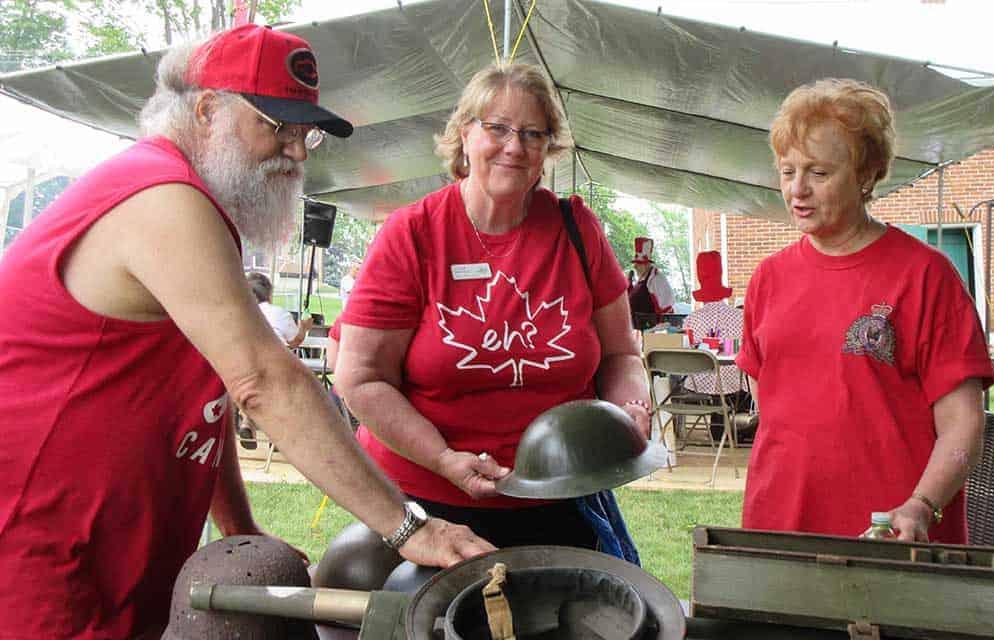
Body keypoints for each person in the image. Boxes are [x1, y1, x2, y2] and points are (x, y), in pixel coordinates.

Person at [0, 24, 492, 638]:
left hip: (114, 531)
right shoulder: (159, 195)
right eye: (277, 126)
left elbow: (205, 393)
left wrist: (236, 524)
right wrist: (410, 528)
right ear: (208, 109)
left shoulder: (194, 210)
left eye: (305, 131)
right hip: (42, 532)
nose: (298, 151)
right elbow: (264, 381)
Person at [335, 63, 652, 551]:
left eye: (532, 133)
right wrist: (443, 459)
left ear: (548, 148)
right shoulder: (412, 234)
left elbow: (620, 355)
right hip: (424, 505)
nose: (514, 146)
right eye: (497, 128)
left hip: (560, 493)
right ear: (464, 134)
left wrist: (629, 407)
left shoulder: (576, 229)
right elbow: (361, 379)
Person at [736, 78, 994, 544]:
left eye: (818, 173)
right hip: (779, 530)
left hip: (892, 538)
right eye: (787, 170)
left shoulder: (925, 276)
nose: (798, 189)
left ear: (867, 173)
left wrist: (922, 504)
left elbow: (964, 424)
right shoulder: (768, 279)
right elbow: (772, 405)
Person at [682, 251, 746, 438]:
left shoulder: (691, 320)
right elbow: (744, 349)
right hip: (734, 380)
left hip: (700, 380)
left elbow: (687, 351)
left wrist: (709, 347)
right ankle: (728, 421)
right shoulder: (740, 317)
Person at [247, 271, 313, 349]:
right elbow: (294, 341)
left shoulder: (237, 315)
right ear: (269, 292)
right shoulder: (279, 313)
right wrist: (303, 328)